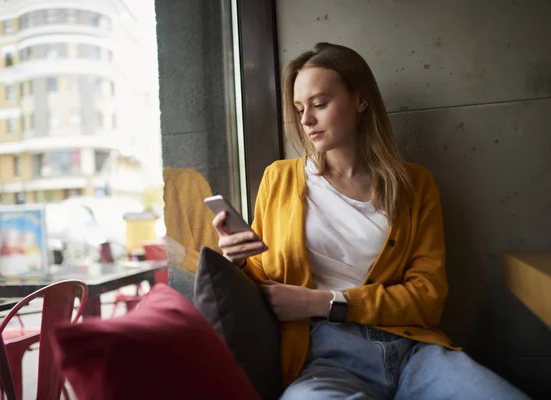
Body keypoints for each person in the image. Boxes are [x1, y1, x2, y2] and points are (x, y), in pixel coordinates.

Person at [212, 42, 528, 399]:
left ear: (361, 100)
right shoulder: (280, 179)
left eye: (319, 104)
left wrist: (324, 302)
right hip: (325, 361)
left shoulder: (414, 185)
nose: (306, 120)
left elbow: (428, 297)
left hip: (414, 352)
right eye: (300, 108)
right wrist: (234, 259)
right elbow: (265, 284)